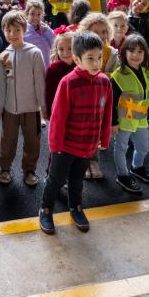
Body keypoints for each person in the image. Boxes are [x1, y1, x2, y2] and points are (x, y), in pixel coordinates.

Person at [38, 31, 113, 235]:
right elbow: (57, 118)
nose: (96, 63)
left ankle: (76, 207)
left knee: (77, 180)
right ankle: (46, 209)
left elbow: (107, 113)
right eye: (90, 58)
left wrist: (104, 137)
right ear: (77, 59)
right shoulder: (68, 82)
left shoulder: (104, 82)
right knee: (56, 180)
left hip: (87, 145)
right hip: (65, 146)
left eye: (99, 57)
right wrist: (55, 146)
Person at [0, 10, 48, 186]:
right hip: (10, 109)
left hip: (31, 108)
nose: (12, 34)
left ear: (24, 30)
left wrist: (43, 106)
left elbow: (40, 82)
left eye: (17, 30)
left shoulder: (34, 53)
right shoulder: (3, 56)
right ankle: (4, 168)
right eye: (8, 30)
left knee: (32, 141)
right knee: (7, 140)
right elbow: (1, 86)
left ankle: (29, 170)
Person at [111, 34, 149, 194]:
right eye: (131, 51)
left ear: (145, 53)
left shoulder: (146, 72)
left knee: (143, 147)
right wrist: (113, 122)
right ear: (124, 52)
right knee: (121, 148)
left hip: (141, 119)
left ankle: (137, 167)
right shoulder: (117, 76)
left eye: (140, 51)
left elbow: (148, 94)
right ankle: (122, 175)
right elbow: (112, 101)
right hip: (124, 120)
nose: (136, 55)